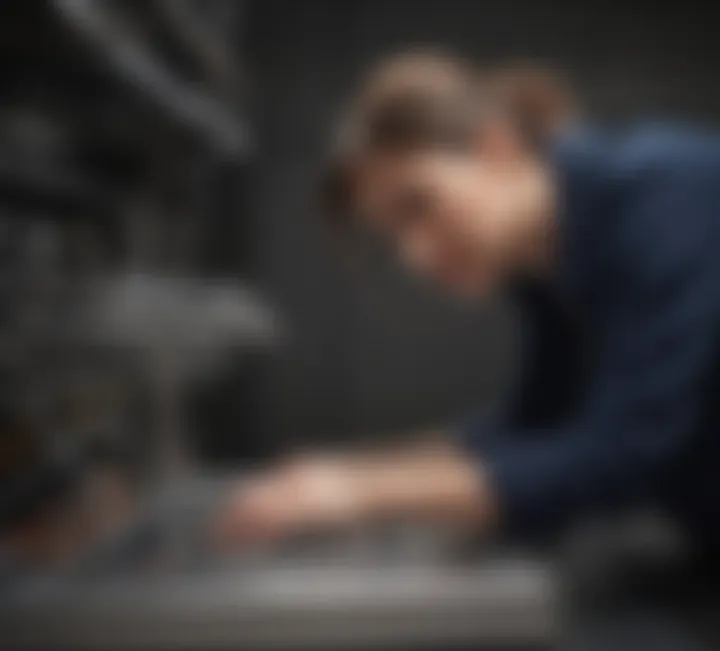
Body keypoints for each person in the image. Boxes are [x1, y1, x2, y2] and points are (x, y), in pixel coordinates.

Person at [217, 50, 720, 550]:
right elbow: (537, 421)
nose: (414, 256)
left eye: (419, 204)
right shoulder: (544, 265)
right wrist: (347, 474)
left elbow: (623, 455)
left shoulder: (664, 192)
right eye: (393, 237)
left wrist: (361, 492)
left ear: (495, 148)